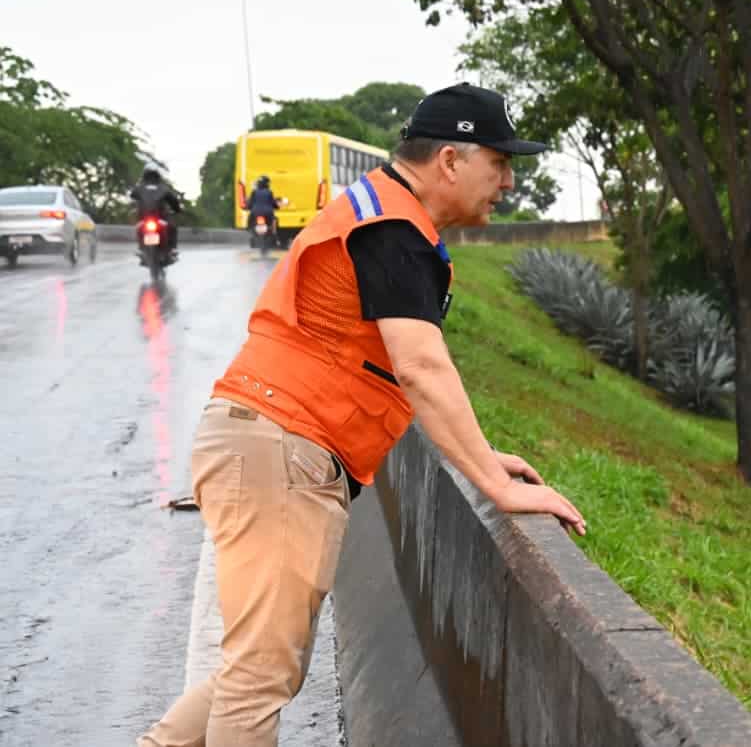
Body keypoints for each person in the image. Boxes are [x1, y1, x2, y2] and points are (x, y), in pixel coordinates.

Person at [138, 82, 586, 747]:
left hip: (266, 442)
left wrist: (484, 457)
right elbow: (422, 367)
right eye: (499, 162)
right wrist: (495, 486)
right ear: (451, 160)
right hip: (281, 448)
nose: (509, 181)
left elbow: (393, 373)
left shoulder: (384, 213)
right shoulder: (392, 229)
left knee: (262, 669)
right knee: (261, 674)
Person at [130, 163, 182, 256]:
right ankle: (173, 248)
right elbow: (174, 201)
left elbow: (132, 195)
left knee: (139, 227)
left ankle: (141, 248)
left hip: (145, 218)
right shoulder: (163, 188)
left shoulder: (140, 187)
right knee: (172, 227)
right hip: (158, 218)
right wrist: (177, 210)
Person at [246, 175, 281, 243]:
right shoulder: (269, 192)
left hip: (255, 213)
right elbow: (273, 203)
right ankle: (275, 235)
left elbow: (250, 204)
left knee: (250, 220)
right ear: (267, 184)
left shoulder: (254, 192)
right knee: (275, 220)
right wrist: (277, 206)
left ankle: (251, 231)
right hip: (268, 213)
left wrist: (248, 207)